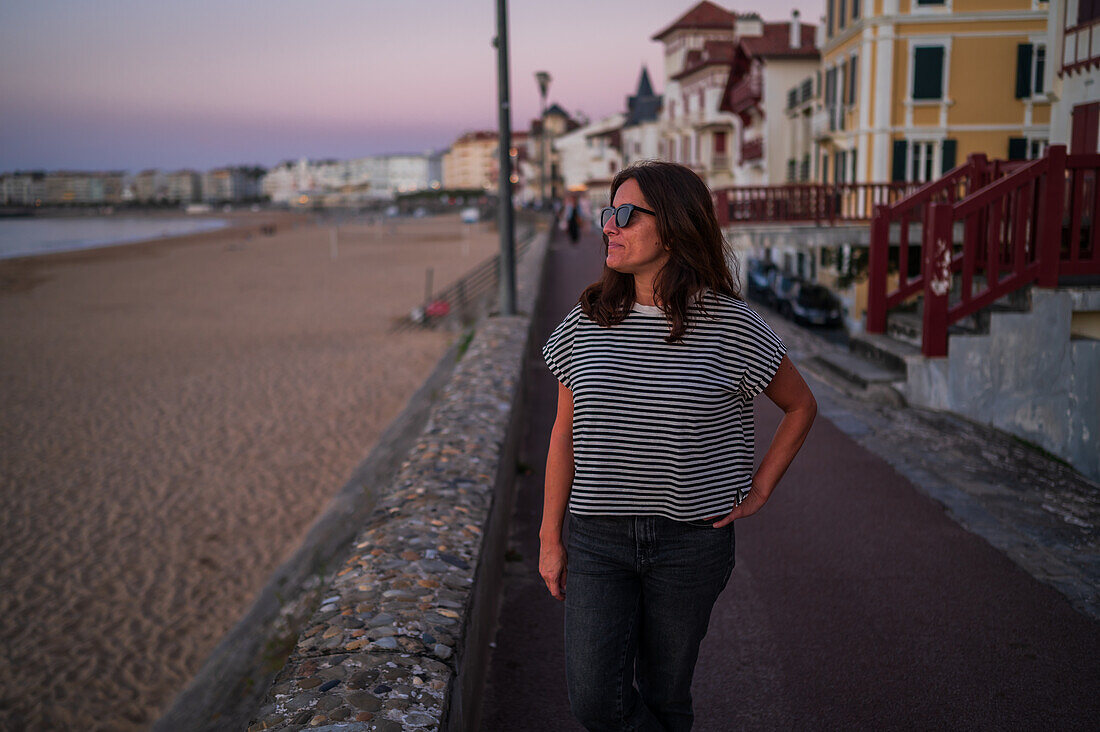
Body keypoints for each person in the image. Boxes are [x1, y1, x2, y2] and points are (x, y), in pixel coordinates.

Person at [539, 161, 817, 731]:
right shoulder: (586, 322)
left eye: (624, 214)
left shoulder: (731, 325)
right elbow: (563, 431)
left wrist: (761, 487)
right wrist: (549, 537)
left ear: (672, 225)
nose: (608, 227)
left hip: (691, 541)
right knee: (596, 701)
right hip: (599, 537)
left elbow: (800, 405)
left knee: (667, 696)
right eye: (606, 214)